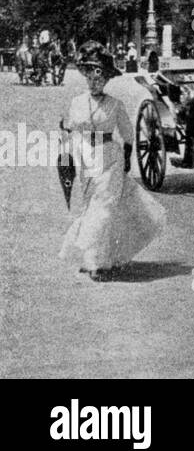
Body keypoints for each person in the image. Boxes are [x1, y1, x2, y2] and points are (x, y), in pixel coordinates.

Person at [58, 42, 166, 280]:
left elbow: (128, 136)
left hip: (111, 161)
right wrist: (66, 138)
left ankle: (95, 262)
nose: (94, 83)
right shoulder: (77, 103)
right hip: (86, 161)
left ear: (106, 81)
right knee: (90, 208)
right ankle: (96, 259)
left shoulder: (115, 105)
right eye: (91, 79)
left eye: (99, 79)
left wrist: (126, 160)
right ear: (86, 79)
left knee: (103, 209)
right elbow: (70, 129)